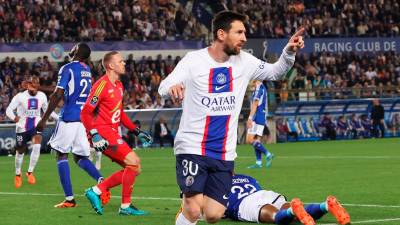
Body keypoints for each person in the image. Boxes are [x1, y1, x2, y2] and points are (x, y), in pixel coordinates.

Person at [158, 10, 304, 225]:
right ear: (221, 34)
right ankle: (187, 209)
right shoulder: (193, 60)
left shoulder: (245, 62)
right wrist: (173, 87)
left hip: (224, 152)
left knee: (214, 215)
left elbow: (275, 72)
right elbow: (163, 86)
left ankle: (191, 208)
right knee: (193, 207)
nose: (244, 38)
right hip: (192, 146)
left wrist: (288, 52)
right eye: (239, 32)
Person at [82, 51, 153, 216]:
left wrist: (136, 131)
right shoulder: (101, 85)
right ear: (110, 65)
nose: (124, 63)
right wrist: (94, 134)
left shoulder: (119, 85)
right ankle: (123, 205)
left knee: (134, 168)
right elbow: (85, 112)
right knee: (134, 162)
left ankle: (98, 191)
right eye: (121, 61)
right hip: (102, 132)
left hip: (112, 132)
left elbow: (119, 113)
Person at [36, 43, 104, 208]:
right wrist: (40, 88)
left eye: (75, 46)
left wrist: (43, 119)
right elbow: (71, 90)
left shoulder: (67, 68)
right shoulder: (86, 70)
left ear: (77, 51)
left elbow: (58, 94)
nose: (72, 47)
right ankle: (103, 183)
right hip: (82, 118)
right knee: (80, 157)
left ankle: (69, 199)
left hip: (68, 118)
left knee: (61, 155)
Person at [225, 174, 351, 225]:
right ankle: (326, 206)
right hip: (265, 193)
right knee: (294, 213)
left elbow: (215, 210)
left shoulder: (215, 184)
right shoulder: (247, 177)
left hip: (245, 203)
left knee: (276, 216)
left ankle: (291, 211)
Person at [6, 76, 58, 188]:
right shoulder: (20, 97)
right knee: (20, 151)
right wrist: (14, 118)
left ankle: (29, 172)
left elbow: (48, 110)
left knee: (37, 146)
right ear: (28, 85)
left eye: (37, 84)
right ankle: (18, 174)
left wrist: (59, 118)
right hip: (22, 127)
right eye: (32, 84)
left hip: (36, 126)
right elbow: (8, 110)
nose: (35, 86)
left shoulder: (42, 96)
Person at [246, 80, 273, 169]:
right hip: (261, 116)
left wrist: (250, 118)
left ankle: (267, 153)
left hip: (257, 117)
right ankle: (258, 163)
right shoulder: (262, 87)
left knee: (249, 140)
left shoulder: (258, 89)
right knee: (256, 140)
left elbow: (255, 104)